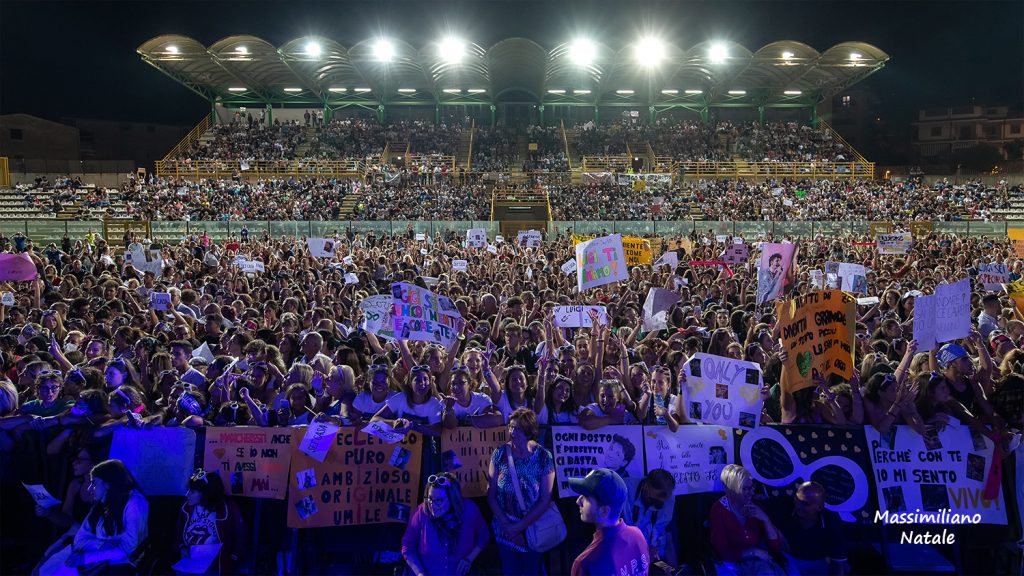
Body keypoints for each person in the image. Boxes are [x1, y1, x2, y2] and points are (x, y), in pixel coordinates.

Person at [487, 407, 556, 575]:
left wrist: (520, 527)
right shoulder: (500, 453)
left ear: (528, 431)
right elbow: (491, 495)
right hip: (505, 531)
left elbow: (545, 499)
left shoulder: (543, 457)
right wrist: (508, 526)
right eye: (510, 427)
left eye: (517, 429)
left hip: (533, 530)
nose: (511, 432)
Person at [59, 459, 149, 574]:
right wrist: (102, 544)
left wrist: (90, 556)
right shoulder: (99, 506)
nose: (90, 488)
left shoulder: (135, 503)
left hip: (124, 565)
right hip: (99, 561)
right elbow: (79, 539)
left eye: (94, 483)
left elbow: (131, 547)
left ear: (108, 484)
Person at [401, 473, 489, 576]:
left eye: (439, 500)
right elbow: (407, 546)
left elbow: (484, 536)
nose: (432, 505)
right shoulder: (422, 512)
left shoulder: (469, 510)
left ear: (452, 499)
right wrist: (420, 572)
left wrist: (469, 559)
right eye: (430, 499)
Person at [569, 468, 650, 576]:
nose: (578, 501)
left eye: (586, 497)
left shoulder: (586, 563)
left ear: (603, 511)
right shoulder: (637, 535)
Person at [709, 464, 786, 575]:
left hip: (756, 562)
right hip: (731, 564)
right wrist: (753, 552)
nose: (751, 492)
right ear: (730, 490)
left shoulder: (755, 504)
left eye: (752, 487)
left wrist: (765, 520)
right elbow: (722, 552)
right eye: (745, 489)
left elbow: (775, 547)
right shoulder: (718, 509)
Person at [176, 469, 246, 575]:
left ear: (206, 494)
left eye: (192, 491)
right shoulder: (186, 508)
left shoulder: (229, 509)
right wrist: (182, 547)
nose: (187, 495)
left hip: (214, 565)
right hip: (189, 561)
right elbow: (178, 532)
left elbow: (240, 536)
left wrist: (232, 557)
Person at [772, 482, 848, 576]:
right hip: (788, 559)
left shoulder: (831, 520)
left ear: (820, 507)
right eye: (797, 500)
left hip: (817, 562)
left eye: (805, 504)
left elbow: (838, 560)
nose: (798, 506)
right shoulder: (784, 505)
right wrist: (774, 528)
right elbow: (757, 508)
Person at [622, 469, 677, 566]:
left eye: (663, 501)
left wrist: (674, 570)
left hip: (656, 558)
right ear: (646, 487)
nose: (658, 505)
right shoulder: (624, 490)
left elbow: (668, 537)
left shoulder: (669, 499)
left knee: (668, 571)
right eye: (656, 498)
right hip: (628, 556)